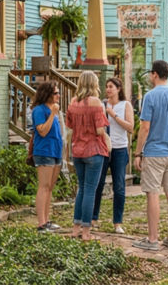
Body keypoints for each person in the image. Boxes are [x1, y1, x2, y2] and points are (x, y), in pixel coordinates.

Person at [133, 59, 168, 252]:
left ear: (154, 74)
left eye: (150, 73)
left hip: (155, 151)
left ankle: (153, 239)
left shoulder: (150, 96)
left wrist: (138, 152)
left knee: (153, 194)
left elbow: (145, 127)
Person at [65, 71, 109, 242]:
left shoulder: (73, 103)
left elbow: (70, 126)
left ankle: (76, 229)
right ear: (94, 84)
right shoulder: (96, 102)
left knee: (81, 189)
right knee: (90, 190)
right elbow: (99, 130)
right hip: (94, 150)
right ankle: (86, 232)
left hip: (77, 150)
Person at [93, 75, 134, 234]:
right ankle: (93, 218)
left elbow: (130, 127)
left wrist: (113, 114)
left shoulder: (125, 105)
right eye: (107, 86)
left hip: (119, 148)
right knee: (98, 183)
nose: (108, 89)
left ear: (118, 89)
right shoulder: (101, 104)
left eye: (111, 86)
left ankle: (117, 222)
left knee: (119, 185)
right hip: (103, 148)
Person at [31, 80, 63, 233]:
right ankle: (41, 223)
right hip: (44, 152)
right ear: (48, 94)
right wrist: (53, 114)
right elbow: (42, 131)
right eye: (56, 93)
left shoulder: (53, 109)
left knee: (50, 187)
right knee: (43, 187)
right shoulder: (39, 110)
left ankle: (47, 220)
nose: (59, 95)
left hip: (55, 152)